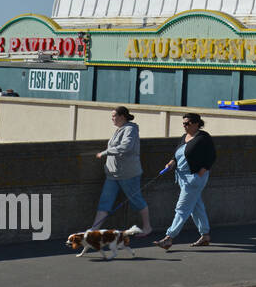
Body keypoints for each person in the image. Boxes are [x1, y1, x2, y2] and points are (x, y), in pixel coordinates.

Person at [154, 113, 216, 251]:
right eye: (183, 123)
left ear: (196, 124)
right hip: (181, 177)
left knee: (182, 208)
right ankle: (205, 235)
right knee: (196, 207)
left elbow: (212, 156)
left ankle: (169, 238)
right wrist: (171, 163)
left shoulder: (203, 138)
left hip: (193, 178)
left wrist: (202, 171)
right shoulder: (184, 137)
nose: (184, 126)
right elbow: (178, 154)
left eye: (187, 123)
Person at [92, 106, 151, 236]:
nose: (112, 119)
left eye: (114, 116)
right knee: (105, 202)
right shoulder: (120, 129)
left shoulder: (130, 129)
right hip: (113, 174)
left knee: (137, 200)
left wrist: (105, 152)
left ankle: (147, 227)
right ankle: (93, 230)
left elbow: (126, 147)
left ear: (122, 117)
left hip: (128, 174)